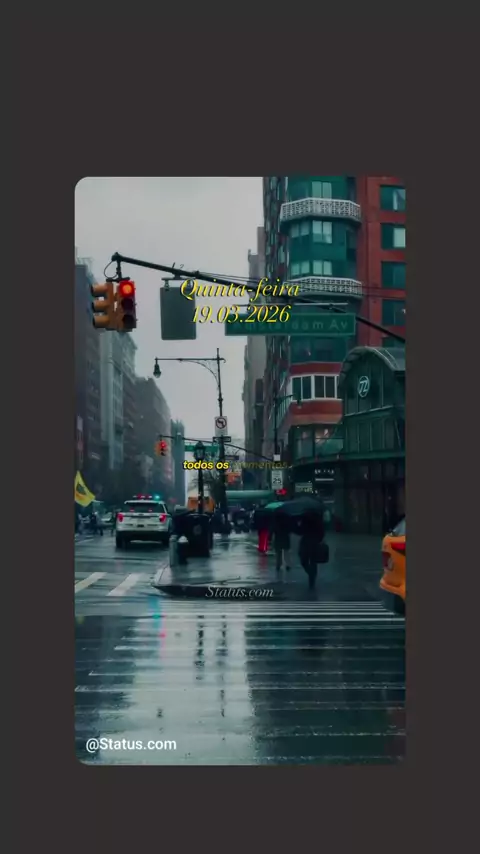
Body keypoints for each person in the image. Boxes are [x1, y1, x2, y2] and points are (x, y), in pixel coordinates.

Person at [299, 510, 325, 590]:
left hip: (306, 542)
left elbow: (300, 531)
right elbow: (322, 531)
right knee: (313, 561)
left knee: (304, 560)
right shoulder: (318, 518)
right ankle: (312, 578)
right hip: (314, 542)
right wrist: (319, 539)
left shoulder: (304, 517)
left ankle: (311, 574)